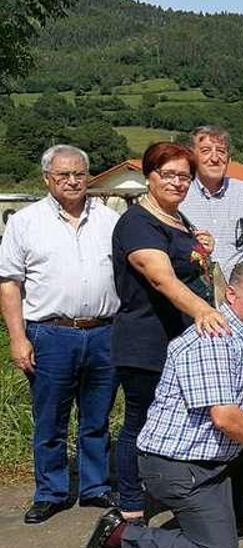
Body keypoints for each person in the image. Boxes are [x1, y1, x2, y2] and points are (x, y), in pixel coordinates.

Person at [86, 261, 243, 548]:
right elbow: (226, 418)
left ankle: (230, 514)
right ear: (231, 295)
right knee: (216, 546)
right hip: (178, 464)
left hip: (216, 457)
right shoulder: (214, 339)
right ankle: (121, 536)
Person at [0, 145, 119, 524]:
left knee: (96, 418)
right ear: (47, 178)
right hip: (50, 334)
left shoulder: (109, 218)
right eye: (63, 175)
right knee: (50, 420)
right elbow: (9, 284)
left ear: (89, 176)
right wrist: (18, 338)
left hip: (103, 331)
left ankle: (95, 487)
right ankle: (50, 492)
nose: (72, 181)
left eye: (79, 174)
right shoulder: (25, 221)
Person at [111, 141, 227, 525]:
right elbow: (161, 277)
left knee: (175, 421)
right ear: (149, 175)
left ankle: (163, 490)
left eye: (184, 176)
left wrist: (202, 248)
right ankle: (130, 503)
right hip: (146, 340)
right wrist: (205, 312)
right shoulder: (138, 223)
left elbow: (192, 269)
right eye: (169, 174)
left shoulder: (179, 219)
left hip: (179, 341)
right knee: (140, 422)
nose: (177, 182)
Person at [178, 126, 243, 282]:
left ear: (229, 159)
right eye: (206, 151)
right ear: (193, 157)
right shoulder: (179, 196)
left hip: (239, 296)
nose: (215, 158)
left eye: (221, 151)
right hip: (191, 294)